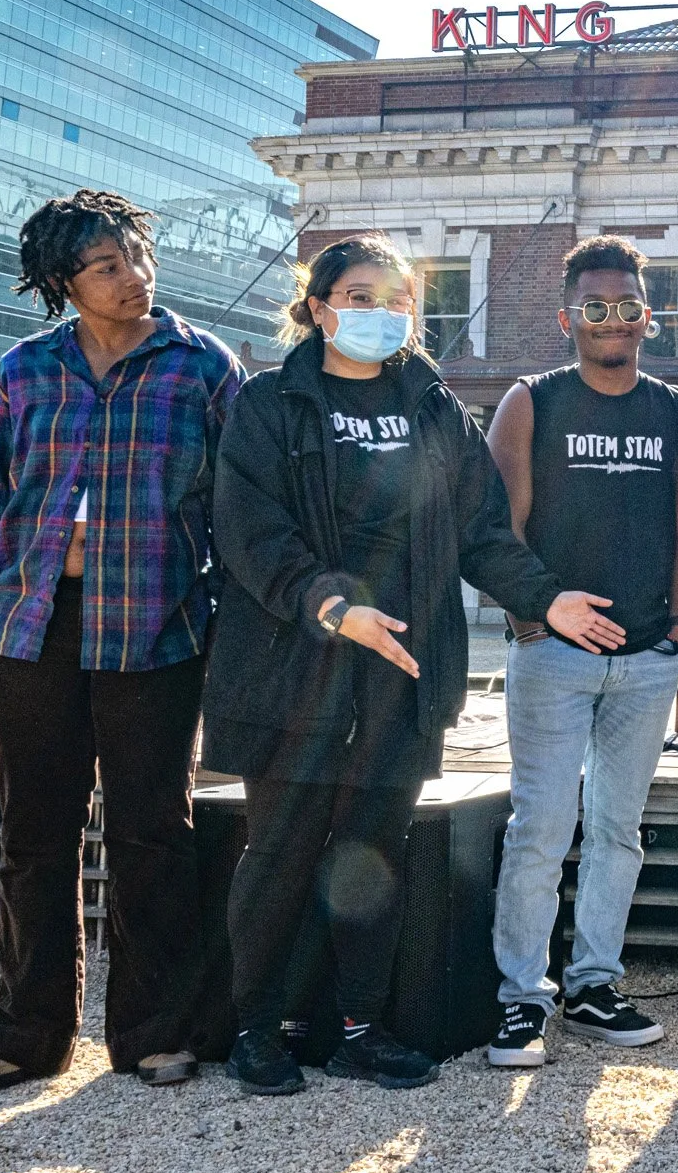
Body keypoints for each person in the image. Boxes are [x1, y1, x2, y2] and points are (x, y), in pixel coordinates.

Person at [205, 235, 592, 1096]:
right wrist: (334, 605)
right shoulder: (271, 403)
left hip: (403, 675)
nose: (378, 312)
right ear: (316, 306)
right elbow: (247, 528)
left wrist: (546, 598)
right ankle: (256, 1030)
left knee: (370, 859)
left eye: (395, 298)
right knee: (278, 855)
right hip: (295, 670)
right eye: (357, 293)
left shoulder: (432, 407)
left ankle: (360, 1028)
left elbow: (483, 529)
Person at [0, 190, 243, 1096]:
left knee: (153, 831)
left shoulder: (202, 368)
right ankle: (25, 1037)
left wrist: (222, 616)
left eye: (139, 257)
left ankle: (154, 1033)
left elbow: (238, 508)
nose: (134, 276)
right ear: (64, 282)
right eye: (108, 266)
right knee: (37, 833)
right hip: (34, 626)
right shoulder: (22, 374)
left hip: (158, 625)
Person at [484, 236, 678, 1065]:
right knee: (541, 824)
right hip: (556, 655)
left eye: (626, 307)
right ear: (569, 316)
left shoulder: (675, 412)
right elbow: (500, 530)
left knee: (619, 828)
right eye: (594, 307)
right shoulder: (531, 402)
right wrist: (535, 619)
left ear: (648, 317)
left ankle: (593, 985)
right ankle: (520, 997)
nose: (611, 320)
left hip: (645, 658)